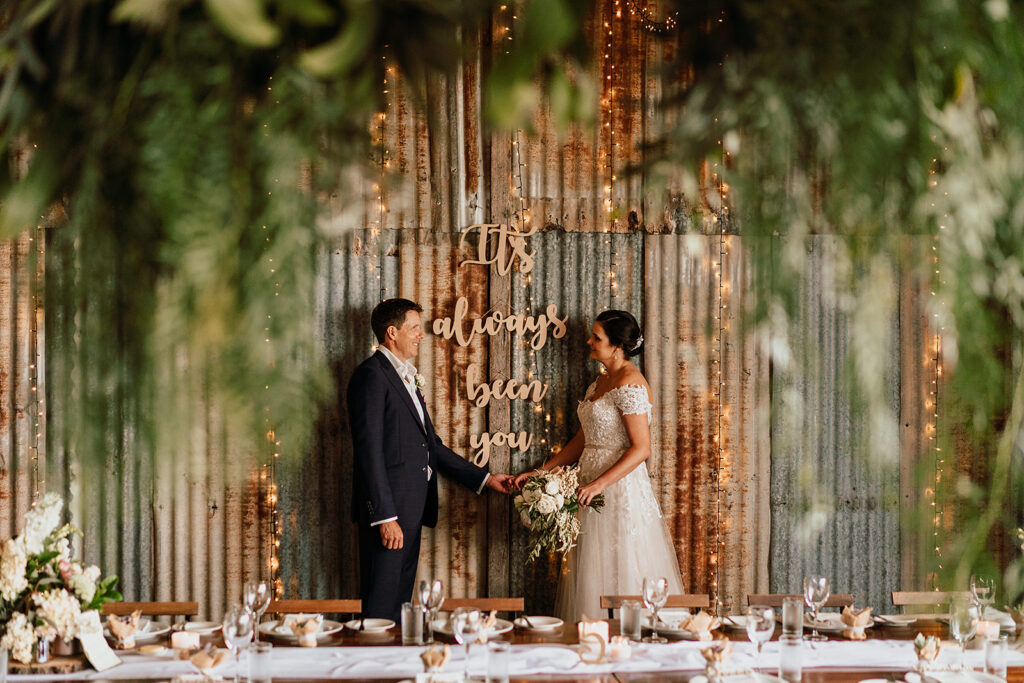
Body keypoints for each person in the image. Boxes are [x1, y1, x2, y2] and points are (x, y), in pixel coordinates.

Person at [348, 298, 514, 622]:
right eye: (415, 328)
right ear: (391, 332)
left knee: (399, 607)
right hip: (389, 516)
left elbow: (431, 447)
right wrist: (384, 517)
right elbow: (368, 452)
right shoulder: (371, 376)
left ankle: (395, 670)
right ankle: (372, 670)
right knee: (380, 607)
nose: (421, 335)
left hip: (410, 511)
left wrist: (484, 478)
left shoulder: (407, 377)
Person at [513, 310, 684, 622]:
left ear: (617, 346)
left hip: (617, 489)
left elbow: (641, 449)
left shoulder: (631, 384)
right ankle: (594, 639)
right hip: (588, 486)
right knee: (593, 566)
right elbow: (582, 440)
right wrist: (542, 472)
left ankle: (631, 638)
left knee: (623, 562)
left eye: (597, 337)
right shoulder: (600, 382)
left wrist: (599, 484)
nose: (589, 341)